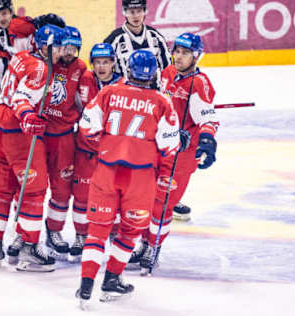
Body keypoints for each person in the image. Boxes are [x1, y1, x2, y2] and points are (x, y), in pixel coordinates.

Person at [74, 50, 185, 307]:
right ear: (153, 73)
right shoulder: (161, 102)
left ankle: (86, 286)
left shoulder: (109, 92)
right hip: (140, 177)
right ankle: (111, 280)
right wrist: (180, 139)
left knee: (98, 230)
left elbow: (87, 128)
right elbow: (169, 148)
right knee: (130, 230)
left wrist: (106, 144)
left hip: (106, 170)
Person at [133, 32, 220, 274]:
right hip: (159, 146)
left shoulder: (200, 84)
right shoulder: (168, 73)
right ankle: (143, 243)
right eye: (177, 51)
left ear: (196, 56)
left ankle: (154, 247)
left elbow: (208, 119)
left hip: (182, 154)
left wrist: (206, 142)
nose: (179, 56)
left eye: (185, 53)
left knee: (164, 204)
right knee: (147, 198)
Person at [0, 24, 68, 272]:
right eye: (58, 47)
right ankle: (29, 249)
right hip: (18, 137)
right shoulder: (41, 68)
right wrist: (29, 118)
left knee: (1, 191)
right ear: (45, 46)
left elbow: (9, 91)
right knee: (34, 191)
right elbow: (21, 98)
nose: (62, 53)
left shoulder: (21, 57)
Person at [104, 0, 192, 221]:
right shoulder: (114, 40)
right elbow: (104, 73)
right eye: (131, 11)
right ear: (124, 12)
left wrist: (167, 100)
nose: (135, 15)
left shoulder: (156, 38)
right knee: (128, 153)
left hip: (153, 105)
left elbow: (168, 71)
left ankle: (165, 197)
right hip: (127, 106)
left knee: (158, 152)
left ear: (145, 11)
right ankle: (122, 200)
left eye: (139, 10)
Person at [70, 43, 123, 262]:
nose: (102, 67)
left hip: (113, 153)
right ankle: (81, 235)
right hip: (85, 150)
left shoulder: (123, 85)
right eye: (98, 62)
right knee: (82, 196)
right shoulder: (84, 79)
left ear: (113, 62)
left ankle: (114, 234)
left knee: (114, 195)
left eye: (106, 62)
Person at [42, 26, 87, 260]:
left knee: (62, 189)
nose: (68, 53)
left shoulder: (81, 69)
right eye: (65, 47)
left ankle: (54, 231)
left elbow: (86, 104)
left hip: (65, 138)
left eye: (73, 48)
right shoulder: (49, 63)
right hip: (41, 135)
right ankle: (24, 234)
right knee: (33, 187)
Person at [0, 0, 66, 116]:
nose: (1, 18)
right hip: (28, 78)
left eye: (4, 13)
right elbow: (1, 65)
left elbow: (41, 24)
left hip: (41, 71)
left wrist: (52, 21)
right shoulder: (0, 36)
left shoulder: (19, 25)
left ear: (11, 12)